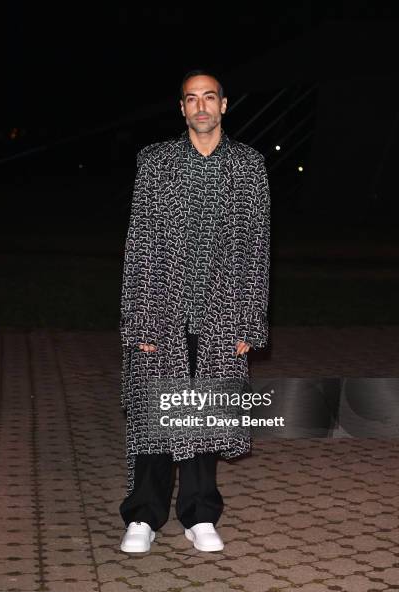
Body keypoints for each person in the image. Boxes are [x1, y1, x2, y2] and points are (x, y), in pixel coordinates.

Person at [119, 68, 271, 553]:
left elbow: (256, 246)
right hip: (162, 307)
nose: (201, 106)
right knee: (155, 410)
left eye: (209, 97)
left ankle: (200, 514)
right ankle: (143, 516)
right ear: (181, 107)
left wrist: (249, 318)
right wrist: (139, 314)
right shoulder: (156, 162)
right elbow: (139, 242)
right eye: (191, 99)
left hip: (222, 312)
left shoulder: (249, 166)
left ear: (224, 105)